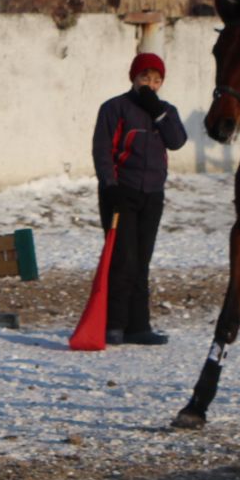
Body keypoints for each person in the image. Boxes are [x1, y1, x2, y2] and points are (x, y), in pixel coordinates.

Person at [91, 51, 189, 345]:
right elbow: (102, 150)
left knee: (142, 260)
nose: (151, 84)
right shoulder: (114, 108)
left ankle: (138, 326)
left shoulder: (165, 110)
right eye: (145, 78)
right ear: (133, 78)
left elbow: (177, 141)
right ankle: (114, 324)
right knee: (124, 258)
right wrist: (111, 186)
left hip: (152, 194)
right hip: (121, 193)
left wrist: (157, 111)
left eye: (157, 79)